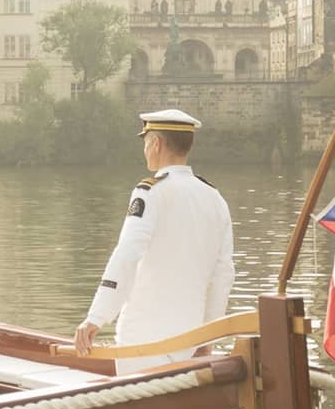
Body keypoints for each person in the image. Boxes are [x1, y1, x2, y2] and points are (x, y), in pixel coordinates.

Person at [74, 109, 234, 375]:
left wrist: (96, 317)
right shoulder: (215, 198)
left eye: (146, 141)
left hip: (144, 340)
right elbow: (223, 274)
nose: (145, 149)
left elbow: (127, 252)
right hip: (191, 338)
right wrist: (209, 337)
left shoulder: (150, 192)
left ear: (156, 143)